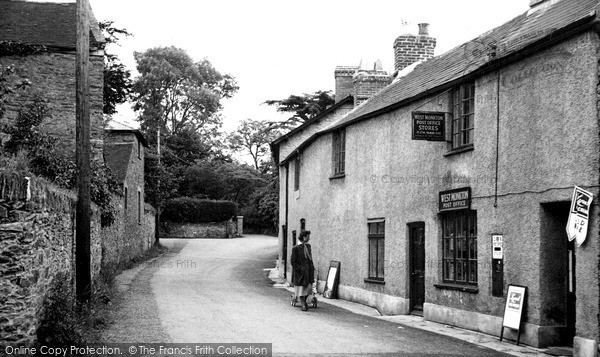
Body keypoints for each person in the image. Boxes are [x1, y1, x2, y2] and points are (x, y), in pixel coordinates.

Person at [291, 230, 314, 311]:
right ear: (304, 237)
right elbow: (293, 262)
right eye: (308, 237)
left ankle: (304, 302)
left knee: (308, 288)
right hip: (301, 273)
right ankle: (303, 304)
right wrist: (300, 269)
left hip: (309, 271)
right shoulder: (296, 248)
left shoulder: (308, 246)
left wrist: (311, 268)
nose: (309, 238)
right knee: (301, 289)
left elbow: (310, 258)